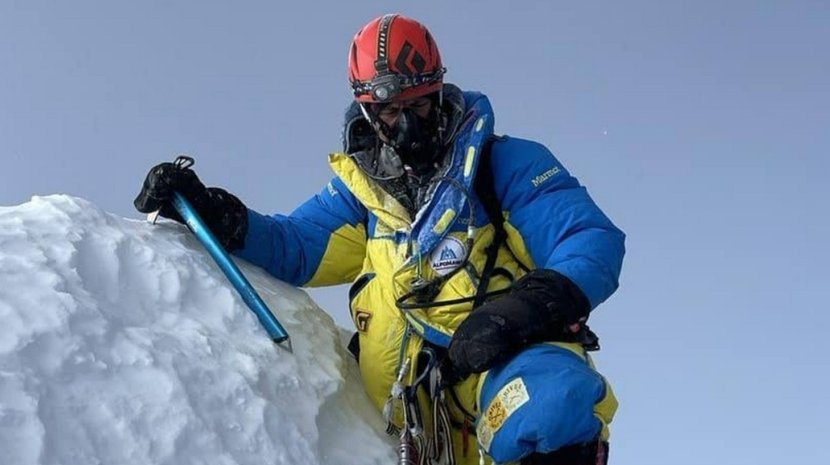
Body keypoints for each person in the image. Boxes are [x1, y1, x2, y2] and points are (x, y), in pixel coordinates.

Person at [135, 14, 625, 465]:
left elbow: (589, 239)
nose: (407, 122)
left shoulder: (505, 166)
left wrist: (518, 312)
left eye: (419, 104)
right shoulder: (362, 196)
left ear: (439, 91)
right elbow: (295, 246)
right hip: (413, 418)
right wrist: (211, 211)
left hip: (504, 366)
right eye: (390, 110)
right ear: (367, 109)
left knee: (549, 407)